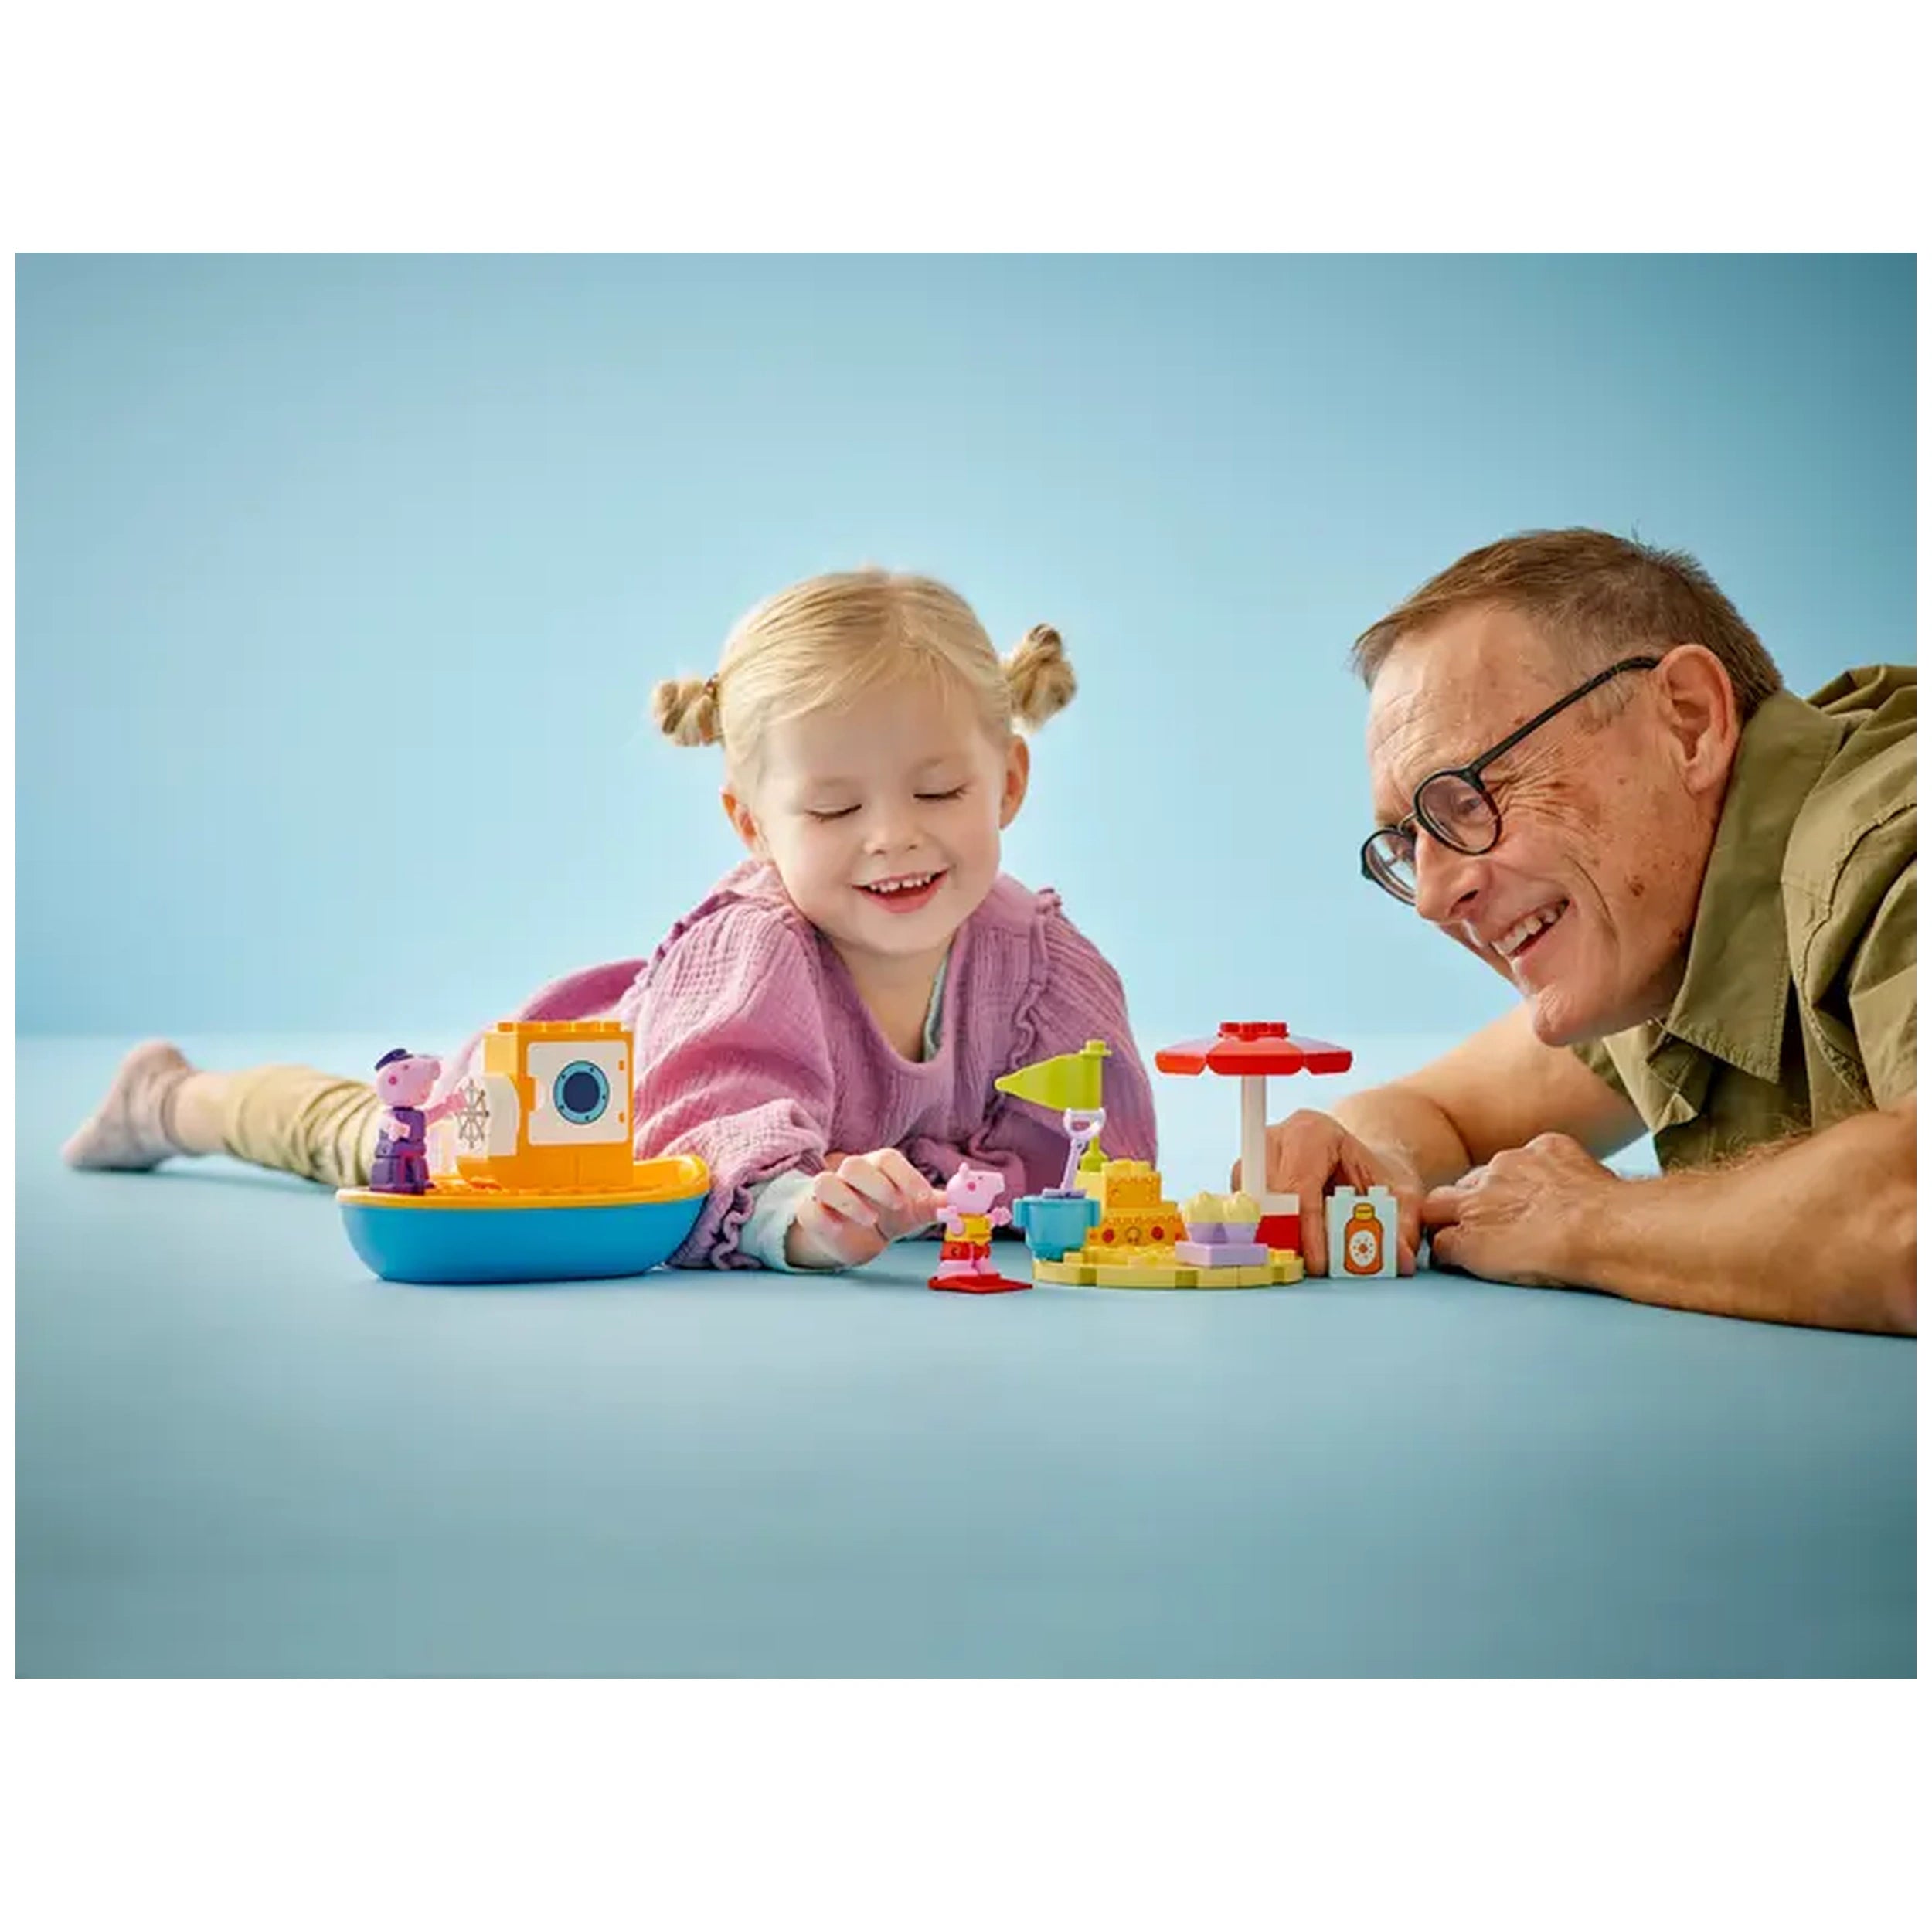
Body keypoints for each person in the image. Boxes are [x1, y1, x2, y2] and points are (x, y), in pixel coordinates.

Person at [63, 570, 1159, 1271]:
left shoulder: (1040, 967)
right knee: (361, 1134)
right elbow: (702, 1145)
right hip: (533, 1129)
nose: (892, 838)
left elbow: (1080, 1159)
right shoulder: (760, 951)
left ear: (1009, 782)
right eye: (832, 807)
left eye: (939, 795)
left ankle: (178, 1096)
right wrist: (794, 1213)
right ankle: (174, 1099)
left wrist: (972, 1198)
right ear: (751, 822)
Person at [1257, 529, 1913, 1335]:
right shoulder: (1663, 927)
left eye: (1470, 795)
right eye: (1406, 841)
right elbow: (1434, 1110)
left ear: (1687, 721)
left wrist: (1590, 1223)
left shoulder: (1893, 843)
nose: (1431, 898)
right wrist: (1375, 1167)